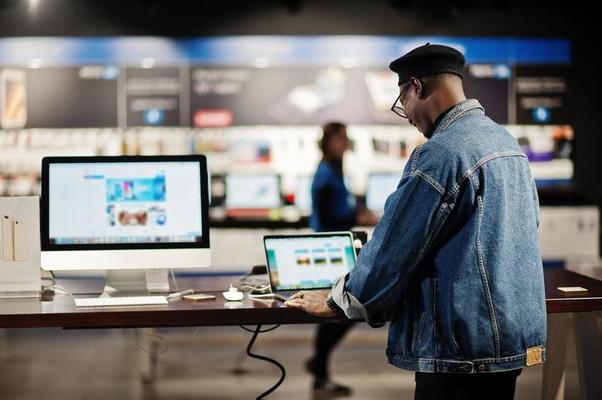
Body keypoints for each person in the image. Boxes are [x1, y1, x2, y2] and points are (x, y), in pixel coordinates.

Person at [286, 43, 546, 400]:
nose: (405, 113)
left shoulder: (441, 151)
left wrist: (338, 300)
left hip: (457, 348)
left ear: (417, 87)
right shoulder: (507, 143)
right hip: (506, 342)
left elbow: (395, 247)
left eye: (402, 101)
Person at [306, 121, 376, 398]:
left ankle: (319, 367)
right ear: (330, 141)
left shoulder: (332, 169)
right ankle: (319, 368)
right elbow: (331, 216)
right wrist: (360, 217)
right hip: (329, 252)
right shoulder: (326, 174)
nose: (346, 143)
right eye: (342, 138)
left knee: (338, 311)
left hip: (334, 248)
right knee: (339, 310)